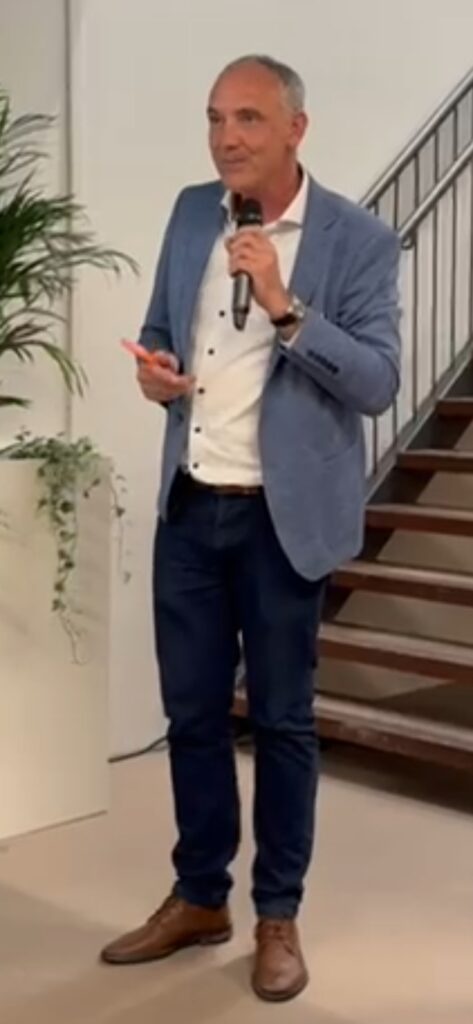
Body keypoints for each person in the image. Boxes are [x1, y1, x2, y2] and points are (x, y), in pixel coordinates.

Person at [100, 55, 401, 1002]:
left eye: (248, 119)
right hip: (192, 506)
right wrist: (155, 373)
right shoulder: (194, 212)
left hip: (283, 520)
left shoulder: (357, 239)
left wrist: (283, 305)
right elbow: (161, 328)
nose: (226, 138)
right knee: (191, 716)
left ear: (294, 130)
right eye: (215, 119)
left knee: (279, 722)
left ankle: (277, 914)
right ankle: (200, 896)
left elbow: (377, 383)